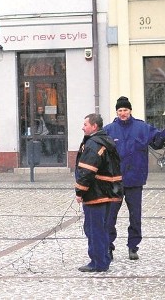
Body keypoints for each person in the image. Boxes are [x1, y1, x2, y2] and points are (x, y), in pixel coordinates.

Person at [104, 96, 165, 260]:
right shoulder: (108, 130)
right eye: (120, 110)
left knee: (135, 216)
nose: (123, 113)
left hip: (135, 180)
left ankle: (133, 247)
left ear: (130, 111)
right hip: (114, 181)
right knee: (110, 217)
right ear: (117, 112)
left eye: (125, 110)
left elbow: (157, 142)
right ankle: (108, 247)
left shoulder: (142, 128)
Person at [75, 113, 123, 272]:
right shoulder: (106, 141)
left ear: (94, 126)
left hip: (96, 194)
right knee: (101, 228)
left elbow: (87, 171)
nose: (83, 127)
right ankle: (103, 259)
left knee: (94, 229)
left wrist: (79, 192)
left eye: (85, 124)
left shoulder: (94, 144)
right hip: (108, 192)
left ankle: (98, 262)